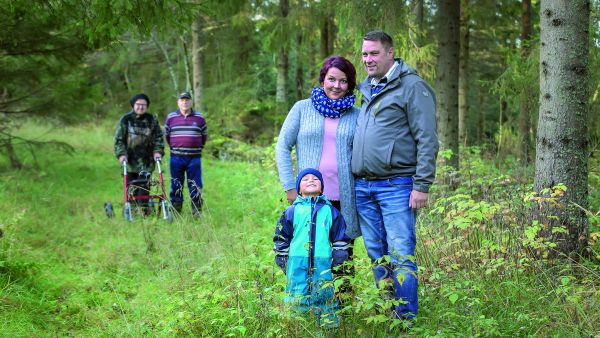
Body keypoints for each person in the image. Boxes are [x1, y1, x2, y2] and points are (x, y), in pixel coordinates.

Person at [351, 31, 438, 320]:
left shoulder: (412, 87)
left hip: (397, 186)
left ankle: (405, 320)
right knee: (377, 255)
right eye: (364, 54)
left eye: (374, 53)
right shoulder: (367, 90)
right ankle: (389, 314)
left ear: (390, 53)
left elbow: (427, 138)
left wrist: (422, 185)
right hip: (363, 188)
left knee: (401, 255)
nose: (367, 59)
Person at [275, 56, 360, 276]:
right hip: (309, 198)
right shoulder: (302, 109)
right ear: (323, 79)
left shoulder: (357, 114)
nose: (336, 86)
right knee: (308, 254)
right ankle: (309, 306)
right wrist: (289, 187)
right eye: (332, 79)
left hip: (345, 200)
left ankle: (343, 307)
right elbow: (282, 146)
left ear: (350, 84)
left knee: (343, 259)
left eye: (343, 81)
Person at [273, 168, 351, 327]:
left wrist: (337, 262)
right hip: (296, 263)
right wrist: (284, 262)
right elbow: (281, 238)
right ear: (299, 189)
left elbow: (340, 239)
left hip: (323, 263)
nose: (310, 180)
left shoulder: (330, 211)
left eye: (315, 179)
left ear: (322, 187)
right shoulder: (291, 211)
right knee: (296, 294)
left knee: (324, 294)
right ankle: (298, 327)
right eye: (305, 179)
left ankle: (329, 327)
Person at [114, 93, 164, 213]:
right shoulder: (126, 120)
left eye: (144, 105)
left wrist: (158, 151)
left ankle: (143, 210)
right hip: (130, 161)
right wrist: (121, 154)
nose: (141, 107)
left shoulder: (152, 120)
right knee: (131, 187)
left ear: (147, 106)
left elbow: (158, 138)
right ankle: (132, 210)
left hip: (147, 161)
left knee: (144, 187)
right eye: (138, 104)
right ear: (133, 105)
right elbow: (119, 139)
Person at [164, 91, 208, 217]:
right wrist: (175, 146)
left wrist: (196, 146)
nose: (185, 102)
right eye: (182, 100)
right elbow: (167, 135)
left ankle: (197, 211)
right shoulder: (171, 117)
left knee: (196, 184)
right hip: (176, 157)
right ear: (178, 102)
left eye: (187, 100)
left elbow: (204, 136)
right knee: (176, 183)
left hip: (194, 158)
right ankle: (177, 211)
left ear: (191, 102)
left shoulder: (199, 117)